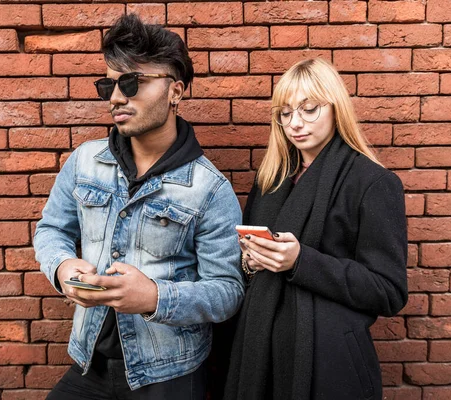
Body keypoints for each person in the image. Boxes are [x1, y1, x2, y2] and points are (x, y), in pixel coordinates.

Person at [34, 14, 244, 400]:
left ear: (175, 91)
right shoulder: (84, 162)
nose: (116, 97)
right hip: (89, 363)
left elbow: (228, 291)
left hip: (169, 375)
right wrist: (62, 266)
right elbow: (51, 231)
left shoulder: (210, 190)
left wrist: (154, 297)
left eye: (132, 82)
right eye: (108, 85)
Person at [224, 58, 408, 400]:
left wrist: (300, 262)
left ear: (336, 108)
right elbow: (244, 272)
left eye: (309, 109)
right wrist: (251, 262)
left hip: (328, 365)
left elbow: (388, 291)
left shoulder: (372, 183)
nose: (296, 123)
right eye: (286, 112)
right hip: (258, 354)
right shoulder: (270, 181)